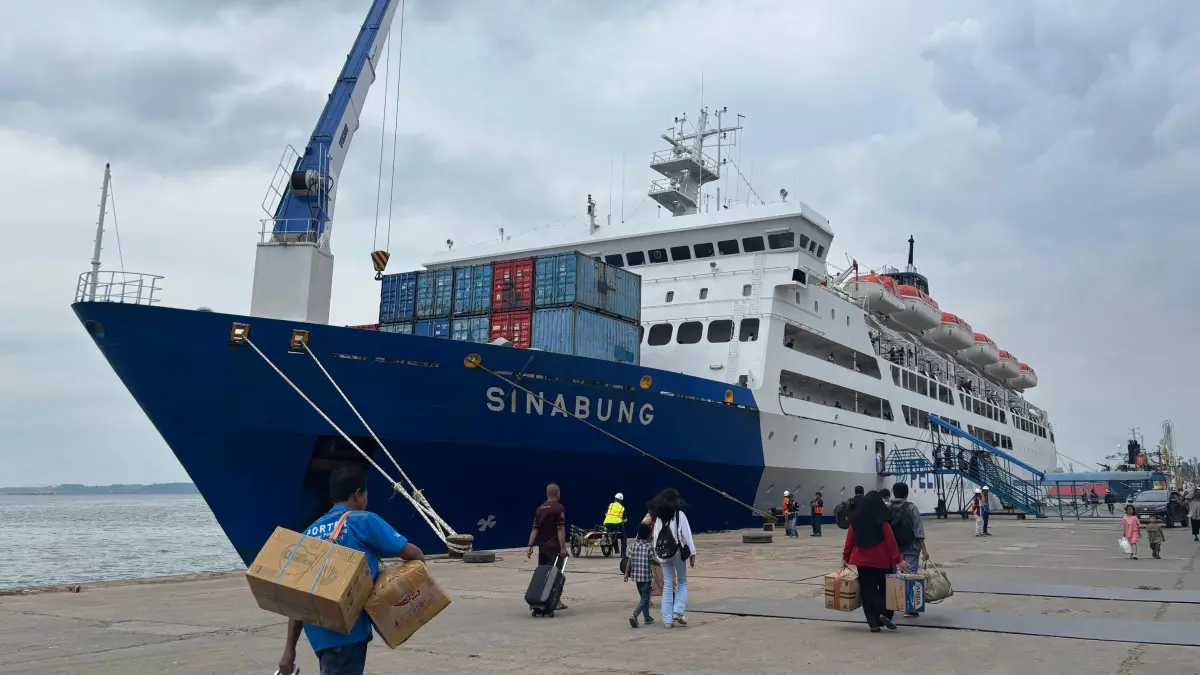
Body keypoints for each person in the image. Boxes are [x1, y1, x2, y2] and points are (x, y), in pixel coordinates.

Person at [277, 466, 426, 675]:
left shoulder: (308, 534)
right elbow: (414, 554)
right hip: (348, 631)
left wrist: (289, 651)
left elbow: (297, 598)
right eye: (366, 494)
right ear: (358, 495)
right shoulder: (363, 521)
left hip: (321, 637)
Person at [841, 490, 910, 633]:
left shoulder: (856, 520)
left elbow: (850, 541)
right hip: (882, 561)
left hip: (862, 562)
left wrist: (845, 558)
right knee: (885, 590)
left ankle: (873, 623)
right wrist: (898, 560)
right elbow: (891, 541)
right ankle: (884, 614)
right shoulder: (882, 520)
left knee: (867, 592)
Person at [650, 488, 696, 628]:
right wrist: (692, 553)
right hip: (676, 553)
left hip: (663, 555)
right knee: (682, 581)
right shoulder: (679, 515)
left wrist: (658, 557)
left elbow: (656, 538)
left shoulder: (658, 518)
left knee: (668, 586)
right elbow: (686, 535)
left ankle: (667, 620)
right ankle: (678, 611)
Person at [526, 483, 569, 610]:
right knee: (556, 575)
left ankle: (540, 599)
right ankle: (557, 602)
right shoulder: (559, 508)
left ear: (547, 494)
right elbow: (560, 528)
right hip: (554, 548)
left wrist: (529, 545)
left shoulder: (540, 508)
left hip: (543, 549)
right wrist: (563, 548)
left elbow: (535, 529)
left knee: (543, 575)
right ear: (558, 493)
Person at [890, 482, 930, 617]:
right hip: (911, 547)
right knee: (911, 576)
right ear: (907, 493)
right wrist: (924, 550)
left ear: (893, 492)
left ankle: (894, 604)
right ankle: (911, 608)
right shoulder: (911, 508)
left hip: (894, 549)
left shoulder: (888, 508)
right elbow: (919, 530)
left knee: (896, 576)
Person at [623, 521, 655, 627]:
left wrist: (626, 573)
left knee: (643, 597)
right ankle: (634, 614)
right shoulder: (649, 547)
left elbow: (629, 560)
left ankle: (647, 617)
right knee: (645, 598)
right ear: (649, 536)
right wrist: (661, 564)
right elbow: (652, 561)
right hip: (646, 577)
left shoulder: (633, 546)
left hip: (636, 577)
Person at [603, 492, 628, 557]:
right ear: (621, 501)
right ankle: (623, 554)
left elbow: (606, 515)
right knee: (623, 537)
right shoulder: (622, 508)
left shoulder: (610, 505)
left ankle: (616, 549)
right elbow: (625, 520)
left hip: (607, 524)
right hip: (617, 525)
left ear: (615, 499)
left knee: (612, 534)